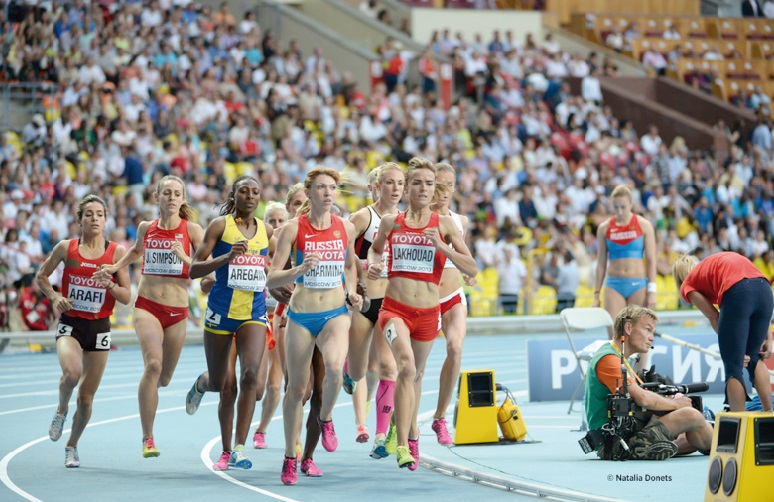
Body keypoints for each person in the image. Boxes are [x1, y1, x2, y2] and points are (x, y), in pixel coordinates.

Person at [367, 157, 478, 470]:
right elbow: (375, 249)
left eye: (430, 184)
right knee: (405, 367)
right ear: (407, 188)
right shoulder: (391, 222)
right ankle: (402, 445)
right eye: (417, 183)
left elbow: (472, 267)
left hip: (429, 312)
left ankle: (410, 433)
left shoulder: (445, 225)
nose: (424, 188)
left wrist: (443, 248)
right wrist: (375, 266)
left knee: (415, 374)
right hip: (395, 309)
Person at [93, 175, 205, 458]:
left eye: (176, 193)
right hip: (148, 307)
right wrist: (113, 266)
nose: (170, 197)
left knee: (165, 378)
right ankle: (148, 438)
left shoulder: (192, 230)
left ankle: (197, 387)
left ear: (182, 199)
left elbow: (205, 268)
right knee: (153, 365)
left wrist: (185, 257)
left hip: (177, 313)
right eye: (165, 193)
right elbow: (135, 250)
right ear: (156, 198)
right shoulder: (147, 227)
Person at [266, 167, 363, 485]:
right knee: (295, 390)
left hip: (335, 312)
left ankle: (326, 418)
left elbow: (350, 265)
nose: (327, 193)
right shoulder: (293, 229)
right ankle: (289, 458)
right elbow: (272, 278)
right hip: (300, 316)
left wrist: (351, 290)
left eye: (332, 188)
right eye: (321, 188)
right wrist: (298, 270)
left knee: (336, 369)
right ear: (309, 193)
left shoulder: (345, 227)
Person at [184, 175, 273, 470]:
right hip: (221, 313)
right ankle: (201, 383)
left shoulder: (267, 231)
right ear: (233, 196)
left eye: (255, 192)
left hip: (253, 313)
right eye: (243, 191)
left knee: (249, 375)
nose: (250, 196)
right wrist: (226, 258)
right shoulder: (220, 226)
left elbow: (268, 272)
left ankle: (236, 448)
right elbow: (194, 270)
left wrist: (282, 285)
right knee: (223, 384)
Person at [37, 195, 131, 467]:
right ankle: (61, 410)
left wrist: (110, 285)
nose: (94, 218)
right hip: (71, 323)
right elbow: (42, 277)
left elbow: (127, 296)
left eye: (99, 214)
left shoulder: (116, 252)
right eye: (88, 214)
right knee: (72, 373)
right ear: (79, 221)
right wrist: (55, 297)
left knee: (87, 400)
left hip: (99, 328)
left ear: (106, 218)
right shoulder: (66, 248)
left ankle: (72, 446)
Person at [585, 306, 714, 460]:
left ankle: (654, 447)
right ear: (628, 328)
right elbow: (643, 399)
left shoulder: (620, 358)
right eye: (647, 330)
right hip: (614, 443)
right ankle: (721, 446)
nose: (652, 337)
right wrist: (677, 404)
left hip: (627, 433)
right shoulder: (609, 359)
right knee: (691, 415)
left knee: (692, 436)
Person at [345, 163, 404, 457]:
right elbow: (341, 245)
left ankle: (380, 436)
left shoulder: (406, 220)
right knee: (357, 371)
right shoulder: (364, 217)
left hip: (390, 304)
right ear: (376, 186)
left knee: (388, 367)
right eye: (389, 183)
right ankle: (346, 367)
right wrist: (359, 272)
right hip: (363, 301)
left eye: (399, 184)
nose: (395, 189)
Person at [672, 253, 774, 412]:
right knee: (754, 356)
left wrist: (734, 349)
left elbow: (713, 316)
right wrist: (768, 337)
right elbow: (754, 288)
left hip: (739, 291)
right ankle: (769, 413)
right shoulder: (710, 268)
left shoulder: (688, 283)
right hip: (764, 288)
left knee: (733, 364)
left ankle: (738, 421)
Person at [429, 162, 477, 445]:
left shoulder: (462, 221)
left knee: (455, 348)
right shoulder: (420, 219)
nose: (444, 191)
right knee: (414, 367)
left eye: (450, 185)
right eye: (440, 184)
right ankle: (401, 423)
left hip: (452, 296)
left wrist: (467, 275)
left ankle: (439, 417)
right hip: (424, 298)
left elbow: (463, 259)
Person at [593, 185, 656, 372]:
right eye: (616, 207)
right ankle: (618, 374)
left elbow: (652, 260)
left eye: (623, 207)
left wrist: (652, 290)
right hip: (614, 284)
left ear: (631, 204)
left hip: (638, 285)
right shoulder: (604, 228)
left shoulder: (644, 225)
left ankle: (641, 375)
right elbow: (600, 263)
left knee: (641, 332)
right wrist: (596, 294)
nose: (619, 212)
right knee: (615, 332)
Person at [252, 201, 290, 450]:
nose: (276, 226)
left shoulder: (289, 252)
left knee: (275, 384)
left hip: (278, 318)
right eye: (271, 221)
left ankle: (261, 431)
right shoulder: (257, 246)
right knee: (254, 385)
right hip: (255, 318)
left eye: (280, 221)